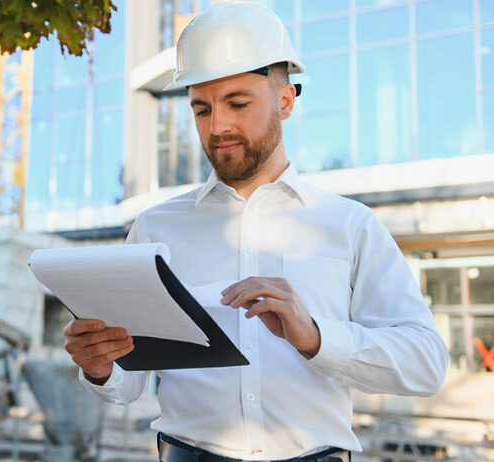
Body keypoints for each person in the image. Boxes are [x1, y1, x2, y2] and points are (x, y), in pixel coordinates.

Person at [61, 1, 448, 461]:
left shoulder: (350, 225)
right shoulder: (155, 228)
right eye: (201, 109)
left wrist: (317, 336)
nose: (217, 126)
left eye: (238, 103)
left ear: (285, 101)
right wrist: (100, 366)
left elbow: (425, 364)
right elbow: (128, 383)